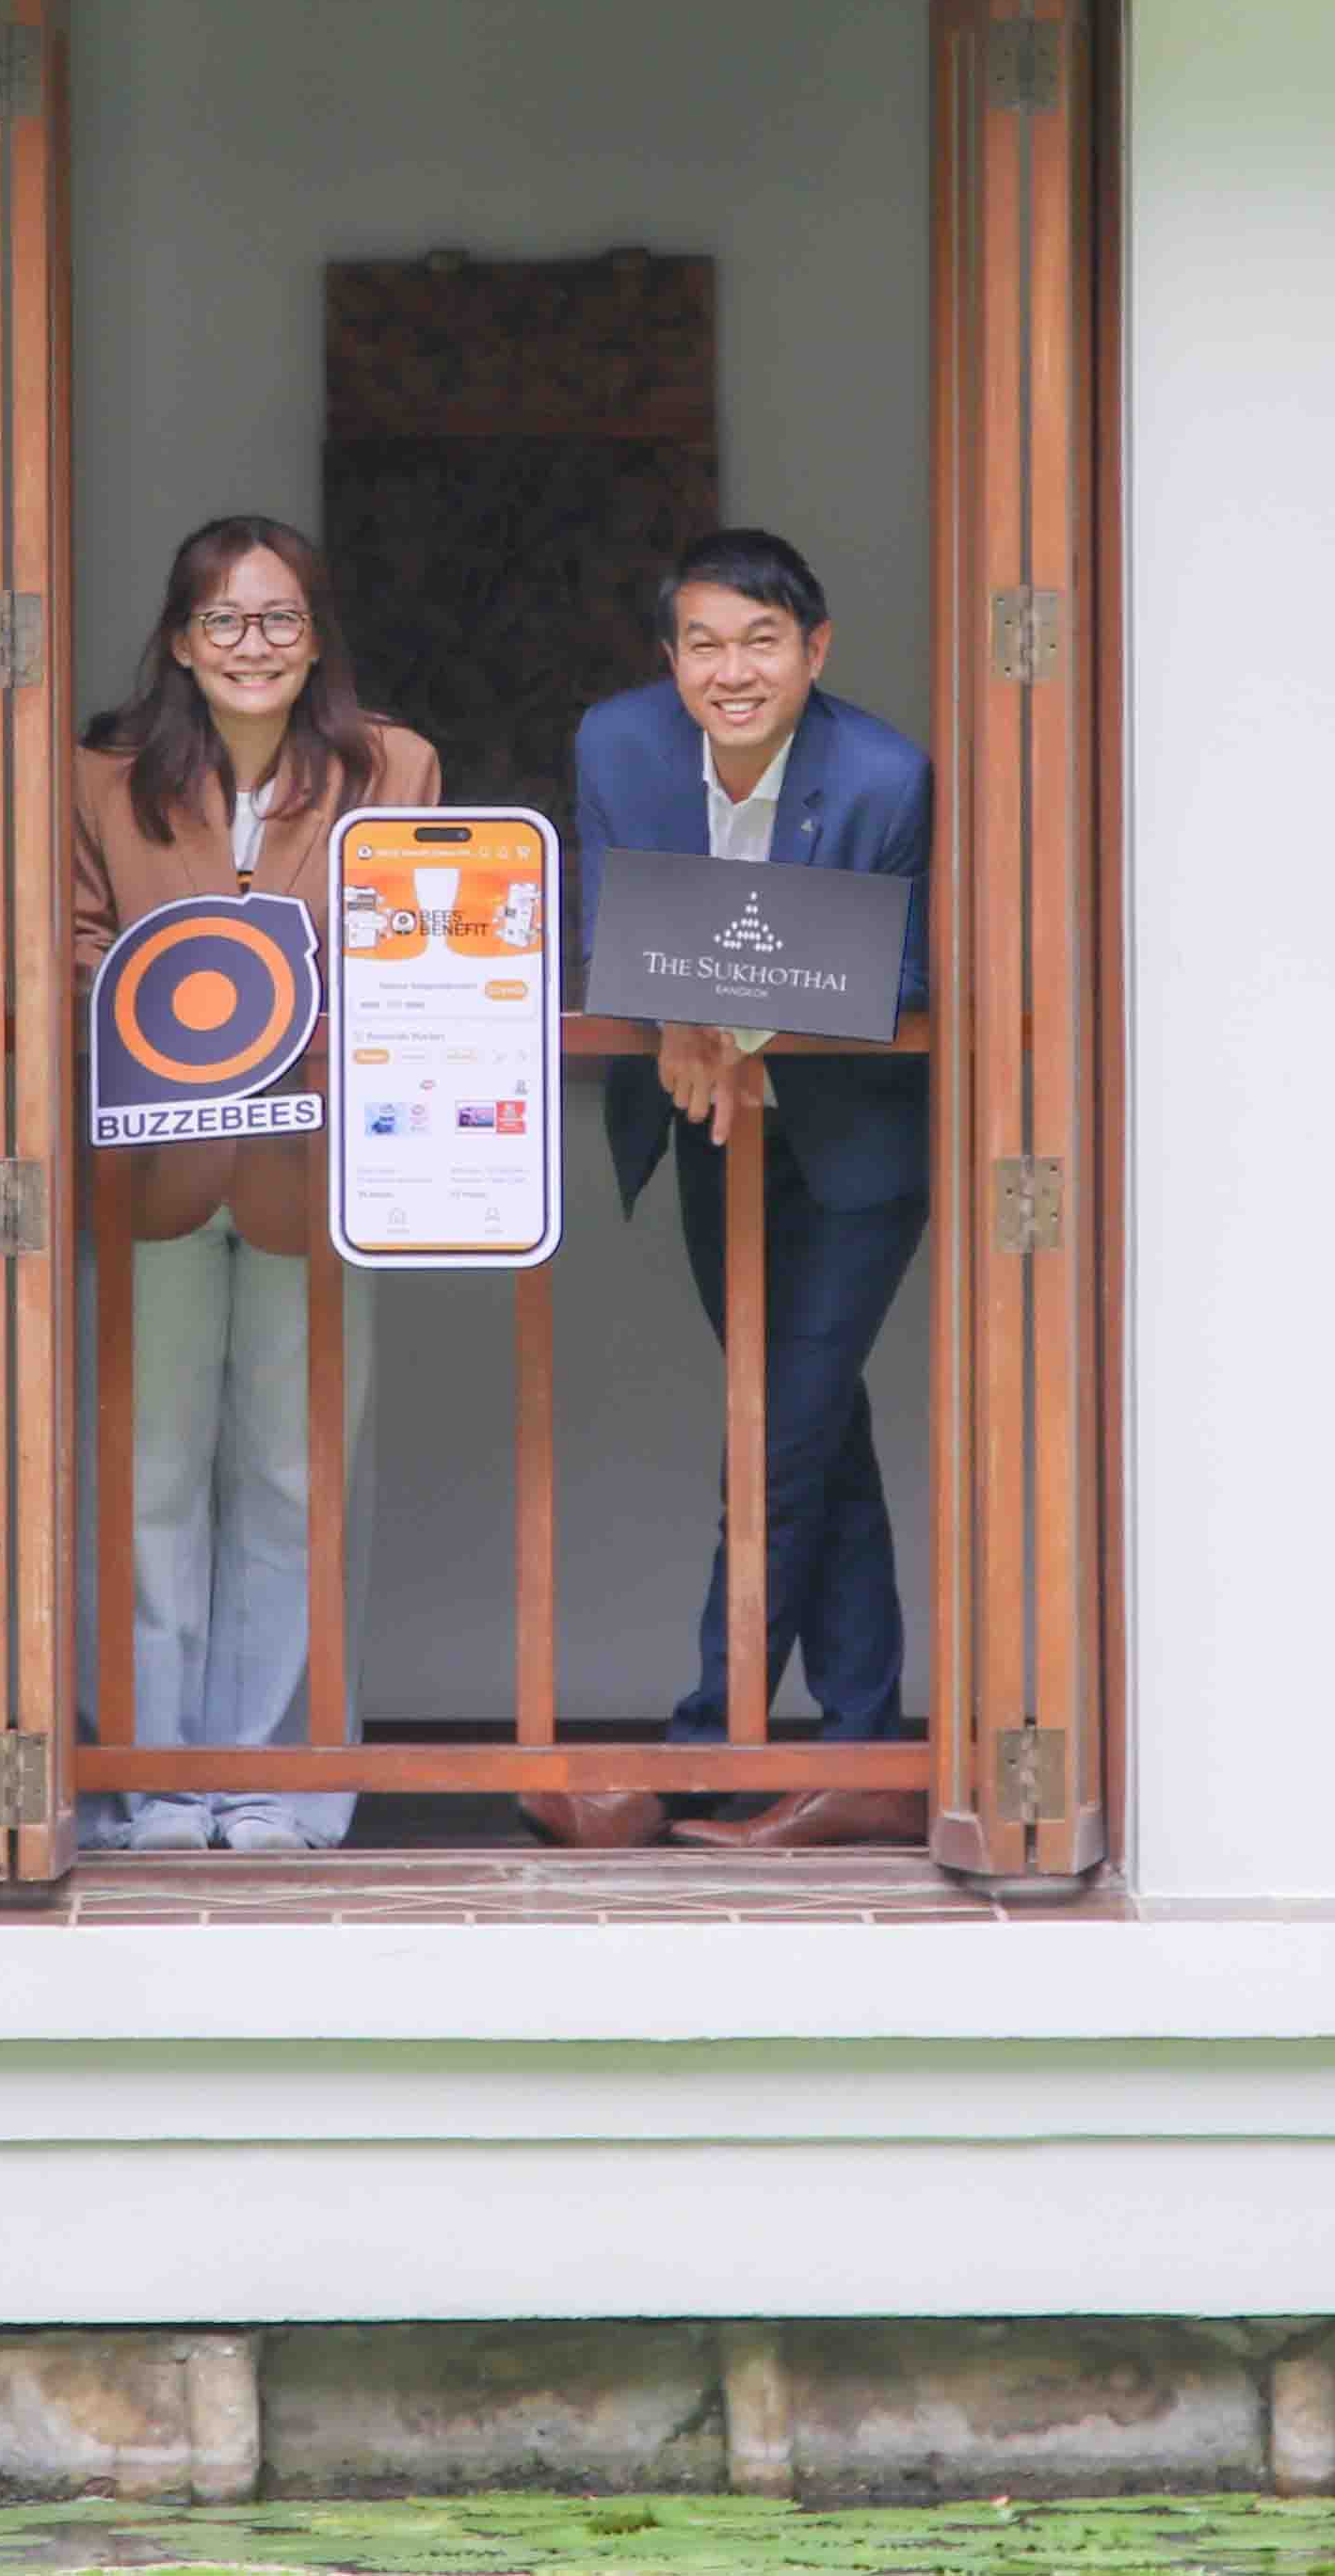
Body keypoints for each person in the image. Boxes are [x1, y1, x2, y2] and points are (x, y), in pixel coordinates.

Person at [529, 527, 933, 1852]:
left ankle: (704, 1748)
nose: (732, 670)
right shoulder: (620, 745)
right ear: (670, 660)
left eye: (761, 641)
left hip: (857, 1151)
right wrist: (676, 1018)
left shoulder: (883, 775)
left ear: (815, 650)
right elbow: (610, 926)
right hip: (714, 1133)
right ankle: (864, 1752)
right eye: (703, 644)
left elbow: (901, 972)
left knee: (777, 1433)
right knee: (814, 1430)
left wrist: (729, 1024)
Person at [63, 515, 439, 1851]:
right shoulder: (101, 777)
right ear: (179, 640)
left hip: (315, 1172)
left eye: (278, 617)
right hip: (153, 1170)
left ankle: (281, 1788)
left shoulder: (391, 765)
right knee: (146, 1483)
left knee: (297, 1480)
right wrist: (177, 1006)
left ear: (315, 636)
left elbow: (411, 944)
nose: (251, 645)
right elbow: (75, 946)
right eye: (222, 619)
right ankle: (152, 1784)